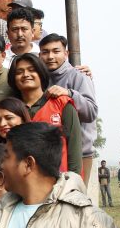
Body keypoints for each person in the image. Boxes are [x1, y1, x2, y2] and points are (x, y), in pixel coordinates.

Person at [8, 53, 82, 174]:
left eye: (32, 70)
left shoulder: (62, 103)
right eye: (19, 72)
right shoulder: (10, 110)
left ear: (41, 74)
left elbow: (75, 147)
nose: (25, 74)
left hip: (59, 180)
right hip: (21, 180)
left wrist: (74, 180)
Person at [39, 33, 98, 184]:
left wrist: (69, 94)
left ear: (66, 54)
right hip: (50, 153)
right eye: (45, 52)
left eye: (56, 51)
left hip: (79, 153)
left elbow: (91, 112)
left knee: (74, 194)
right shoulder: (40, 78)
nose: (50, 56)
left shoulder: (79, 76)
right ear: (39, 55)